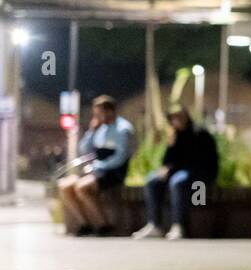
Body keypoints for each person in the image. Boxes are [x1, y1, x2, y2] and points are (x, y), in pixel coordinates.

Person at [133, 106, 219, 240]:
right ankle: (154, 225)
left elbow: (195, 161)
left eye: (179, 117)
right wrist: (166, 163)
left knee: (177, 182)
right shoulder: (175, 135)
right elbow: (168, 160)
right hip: (179, 172)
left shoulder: (200, 133)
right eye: (173, 118)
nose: (176, 121)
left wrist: (171, 169)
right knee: (152, 181)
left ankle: (178, 226)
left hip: (199, 175)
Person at [58, 95, 136, 236]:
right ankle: (85, 223)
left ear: (110, 111)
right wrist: (91, 131)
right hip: (95, 170)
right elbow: (84, 149)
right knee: (65, 186)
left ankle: (104, 224)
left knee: (82, 187)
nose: (98, 117)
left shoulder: (123, 129)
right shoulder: (100, 129)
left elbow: (120, 157)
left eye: (100, 113)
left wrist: (98, 166)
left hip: (113, 171)